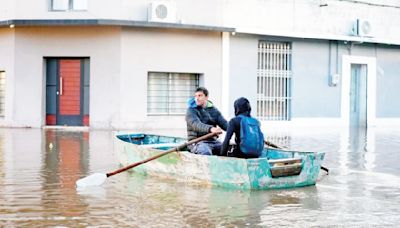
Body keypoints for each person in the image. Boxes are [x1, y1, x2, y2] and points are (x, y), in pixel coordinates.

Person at [185, 87, 228, 155]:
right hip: (197, 141)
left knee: (228, 150)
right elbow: (196, 125)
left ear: (206, 97)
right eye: (195, 96)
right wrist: (211, 129)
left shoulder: (213, 110)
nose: (197, 98)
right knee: (205, 152)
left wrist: (236, 128)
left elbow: (225, 124)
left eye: (200, 95)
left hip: (213, 141)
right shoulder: (191, 110)